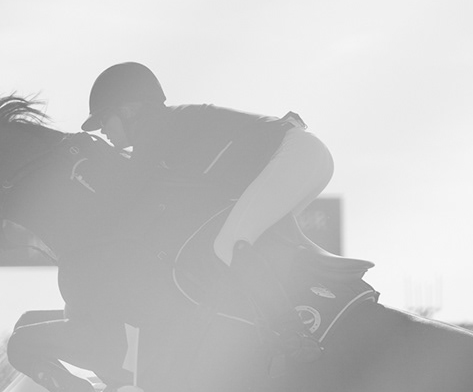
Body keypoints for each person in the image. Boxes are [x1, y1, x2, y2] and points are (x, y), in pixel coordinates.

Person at [81, 61, 334, 355]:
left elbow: (128, 191)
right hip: (304, 157)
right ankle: (314, 307)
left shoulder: (155, 129)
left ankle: (292, 332)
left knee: (231, 245)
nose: (102, 130)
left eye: (103, 119)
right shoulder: (169, 129)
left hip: (295, 155)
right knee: (255, 246)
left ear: (130, 109)